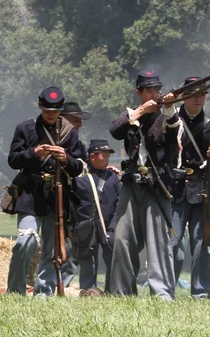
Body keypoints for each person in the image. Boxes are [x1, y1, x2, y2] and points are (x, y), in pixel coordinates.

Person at [109, 69, 179, 300]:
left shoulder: (167, 117)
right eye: (150, 90)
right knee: (122, 239)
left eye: (157, 89)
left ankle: (162, 295)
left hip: (156, 184)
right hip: (131, 184)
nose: (155, 93)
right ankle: (122, 293)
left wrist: (168, 111)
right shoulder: (133, 115)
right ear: (138, 92)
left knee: (158, 243)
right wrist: (140, 112)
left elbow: (171, 142)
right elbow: (116, 130)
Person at [6, 86, 83, 296]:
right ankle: (15, 290)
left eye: (55, 110)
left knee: (51, 249)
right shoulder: (25, 128)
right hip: (30, 193)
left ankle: (44, 292)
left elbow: (78, 167)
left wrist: (66, 159)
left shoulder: (69, 133)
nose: (51, 114)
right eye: (47, 109)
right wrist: (34, 153)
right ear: (40, 106)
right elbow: (13, 160)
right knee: (25, 240)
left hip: (56, 195)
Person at [171, 77, 210, 298]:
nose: (199, 98)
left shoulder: (208, 124)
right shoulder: (171, 119)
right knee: (172, 244)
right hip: (176, 189)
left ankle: (201, 292)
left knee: (201, 243)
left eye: (203, 94)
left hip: (201, 190)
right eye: (194, 94)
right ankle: (167, 291)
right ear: (184, 96)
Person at [71, 139, 120, 290]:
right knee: (87, 261)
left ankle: (111, 291)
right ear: (92, 156)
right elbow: (72, 204)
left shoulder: (113, 177)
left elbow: (119, 203)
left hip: (108, 226)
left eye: (107, 157)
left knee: (112, 260)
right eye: (103, 156)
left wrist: (113, 228)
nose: (106, 159)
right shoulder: (79, 178)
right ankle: (88, 291)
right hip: (86, 225)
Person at [59, 101, 90, 286]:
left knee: (71, 247)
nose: (79, 125)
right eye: (75, 120)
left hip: (72, 201)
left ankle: (64, 282)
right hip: (54, 198)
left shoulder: (79, 145)